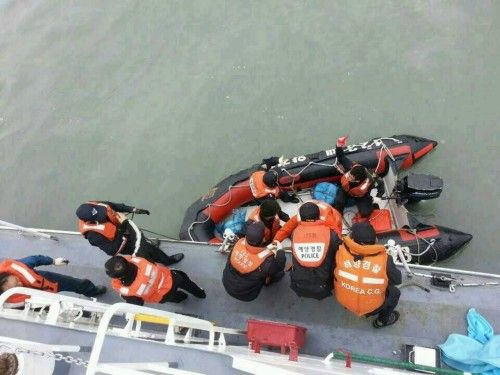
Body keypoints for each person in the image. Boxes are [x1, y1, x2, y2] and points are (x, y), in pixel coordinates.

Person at [333, 222, 402, 328]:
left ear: (352, 239)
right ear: (375, 240)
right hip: (373, 308)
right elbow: (397, 280)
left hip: (345, 301)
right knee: (395, 292)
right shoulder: (385, 259)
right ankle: (381, 321)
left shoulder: (340, 251)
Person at [76, 201, 183, 266]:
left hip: (125, 228)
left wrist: (133, 209)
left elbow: (112, 205)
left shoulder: (93, 205)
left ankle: (159, 255)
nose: (103, 214)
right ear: (89, 221)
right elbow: (112, 250)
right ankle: (165, 262)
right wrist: (124, 230)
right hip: (124, 243)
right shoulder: (92, 236)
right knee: (144, 253)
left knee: (147, 245)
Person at [0, 255, 106, 308]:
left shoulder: (16, 267)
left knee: (76, 283)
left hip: (47, 281)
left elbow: (35, 259)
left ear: (8, 275)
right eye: (16, 288)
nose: (20, 284)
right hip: (37, 302)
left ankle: (91, 290)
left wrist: (53, 261)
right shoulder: (10, 303)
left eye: (17, 281)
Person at [288, 202, 342, 300]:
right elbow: (340, 249)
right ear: (318, 216)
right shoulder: (331, 234)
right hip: (324, 285)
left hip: (299, 284)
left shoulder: (294, 233)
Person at [222, 222, 286, 302]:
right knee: (279, 273)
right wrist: (280, 251)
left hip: (227, 283)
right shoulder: (267, 262)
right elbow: (280, 265)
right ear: (263, 239)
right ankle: (267, 283)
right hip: (248, 295)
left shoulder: (237, 244)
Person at [105, 255, 205, 305]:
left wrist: (118, 285)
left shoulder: (128, 292)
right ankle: (200, 293)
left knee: (175, 297)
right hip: (173, 278)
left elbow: (138, 303)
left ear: (118, 277)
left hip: (163, 296)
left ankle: (182, 298)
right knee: (187, 283)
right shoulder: (142, 260)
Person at [333, 136, 384, 218]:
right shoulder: (350, 167)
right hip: (345, 190)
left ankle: (373, 206)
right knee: (339, 201)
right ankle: (338, 216)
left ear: (357, 180)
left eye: (351, 178)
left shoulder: (371, 178)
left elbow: (381, 185)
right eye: (349, 174)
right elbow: (341, 157)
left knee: (366, 212)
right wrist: (339, 145)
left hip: (361, 195)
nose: (348, 177)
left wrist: (378, 197)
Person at [273, 199, 343, 244]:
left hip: (335, 220)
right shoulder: (301, 214)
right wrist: (275, 242)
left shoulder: (328, 220)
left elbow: (337, 237)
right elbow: (285, 230)